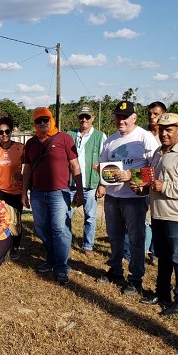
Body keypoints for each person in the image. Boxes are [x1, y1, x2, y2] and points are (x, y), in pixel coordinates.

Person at [136, 113, 178, 317]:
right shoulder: (158, 152)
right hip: (158, 213)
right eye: (161, 129)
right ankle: (162, 293)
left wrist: (166, 186)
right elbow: (152, 181)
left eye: (169, 130)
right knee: (163, 256)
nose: (164, 133)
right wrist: (141, 187)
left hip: (176, 215)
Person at [96, 101, 159, 296]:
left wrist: (132, 176)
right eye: (118, 117)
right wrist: (102, 182)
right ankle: (115, 271)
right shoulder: (110, 141)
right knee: (115, 237)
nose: (121, 121)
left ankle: (135, 279)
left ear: (134, 118)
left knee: (135, 239)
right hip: (113, 197)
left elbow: (155, 169)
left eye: (125, 117)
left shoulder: (145, 138)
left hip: (134, 198)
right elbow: (104, 165)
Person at [22, 107, 84, 286]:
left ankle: (61, 267)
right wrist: (24, 192)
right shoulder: (31, 143)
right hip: (37, 193)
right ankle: (51, 258)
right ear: (34, 123)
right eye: (39, 120)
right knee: (41, 227)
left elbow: (75, 166)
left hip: (60, 192)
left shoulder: (64, 138)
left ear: (51, 120)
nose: (43, 123)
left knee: (59, 229)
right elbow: (27, 169)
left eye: (46, 120)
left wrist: (79, 191)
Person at [125, 101, 167, 264]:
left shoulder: (167, 135)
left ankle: (155, 253)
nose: (152, 117)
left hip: (160, 182)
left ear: (163, 114)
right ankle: (129, 253)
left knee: (158, 218)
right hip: (141, 179)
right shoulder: (141, 133)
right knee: (135, 218)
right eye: (150, 113)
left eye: (156, 114)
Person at [67, 105, 107, 257]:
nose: (84, 119)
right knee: (67, 214)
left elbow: (105, 161)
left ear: (93, 118)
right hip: (71, 185)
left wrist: (102, 184)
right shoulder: (69, 135)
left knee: (90, 217)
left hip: (90, 186)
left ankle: (88, 245)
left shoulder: (99, 136)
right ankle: (66, 241)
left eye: (87, 117)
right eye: (81, 116)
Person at [0, 116, 24, 259]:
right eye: (1, 132)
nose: (4, 135)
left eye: (7, 131)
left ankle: (15, 246)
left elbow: (27, 168)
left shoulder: (20, 148)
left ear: (11, 132)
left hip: (16, 191)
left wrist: (25, 184)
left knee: (15, 221)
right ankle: (2, 245)